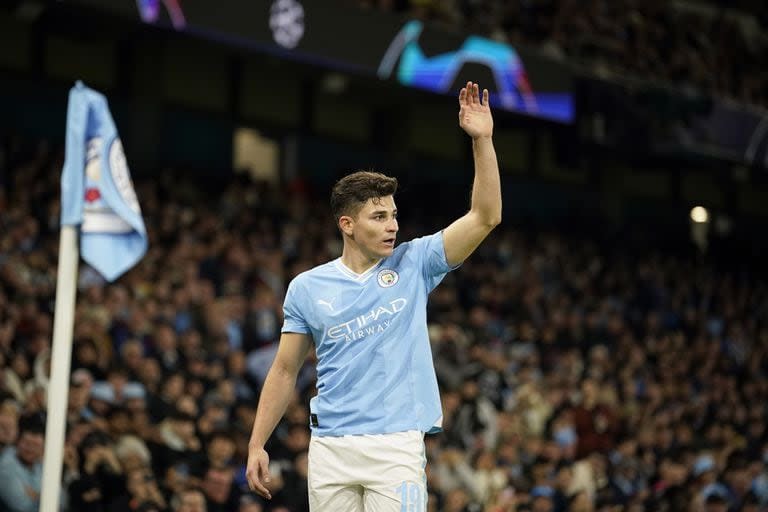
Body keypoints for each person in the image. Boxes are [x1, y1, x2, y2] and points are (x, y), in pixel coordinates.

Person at [246, 81, 500, 511]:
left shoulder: (415, 262)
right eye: (379, 216)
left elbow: (485, 216)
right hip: (329, 448)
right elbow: (284, 371)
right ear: (346, 224)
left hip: (395, 446)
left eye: (394, 215)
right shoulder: (307, 287)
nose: (392, 226)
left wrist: (483, 141)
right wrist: (257, 444)